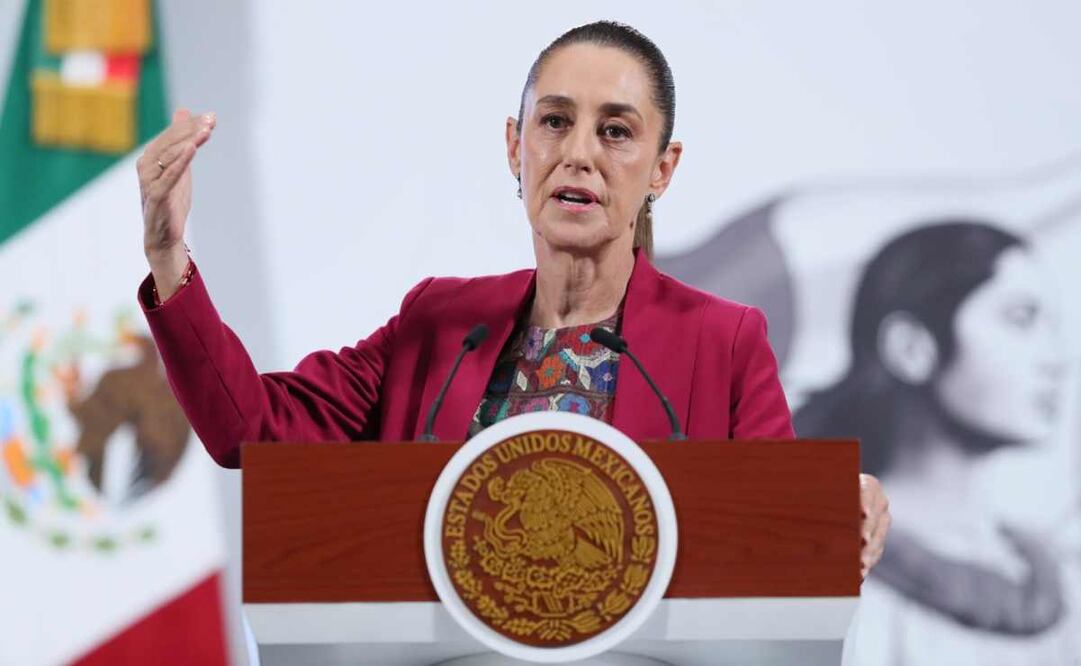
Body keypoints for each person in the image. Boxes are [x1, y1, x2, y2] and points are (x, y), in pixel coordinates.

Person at [135, 21, 889, 573]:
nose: (578, 153)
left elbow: (777, 538)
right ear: (514, 145)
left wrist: (837, 512)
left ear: (662, 169)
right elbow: (248, 429)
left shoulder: (722, 341)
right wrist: (169, 256)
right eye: (554, 121)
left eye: (616, 132)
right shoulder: (437, 322)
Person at [795, 221, 1076, 664]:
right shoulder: (817, 569)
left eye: (1052, 327)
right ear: (911, 347)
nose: (1057, 360)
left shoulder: (1058, 577)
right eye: (1020, 319)